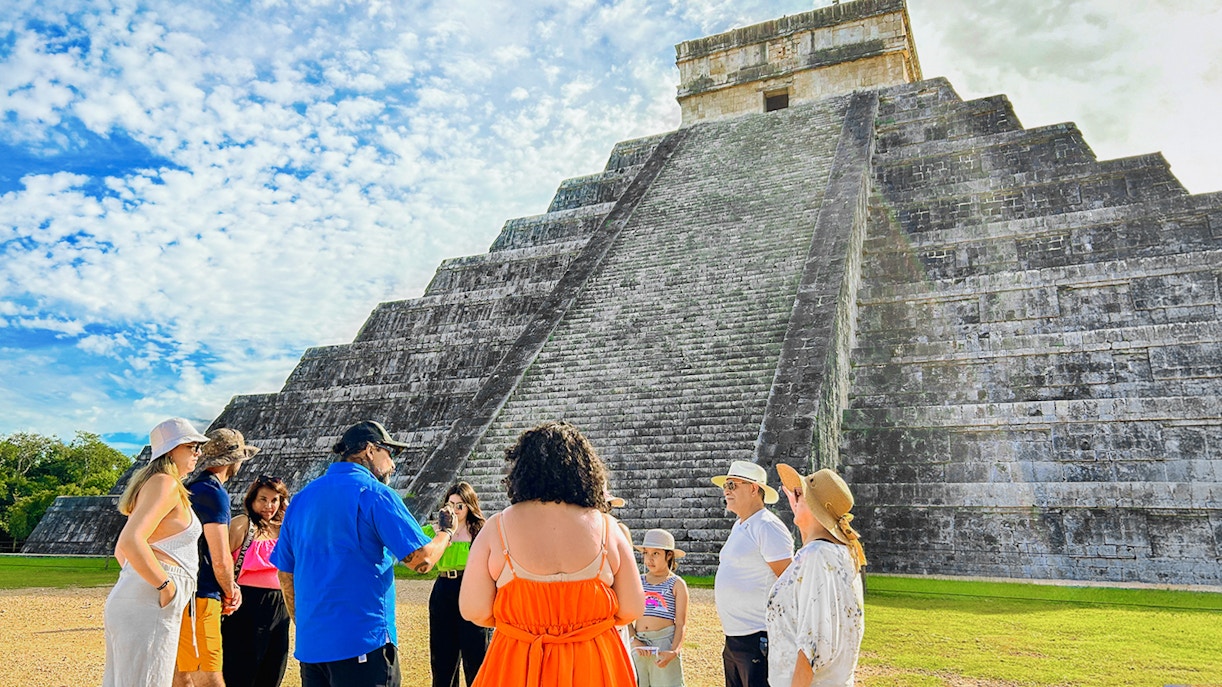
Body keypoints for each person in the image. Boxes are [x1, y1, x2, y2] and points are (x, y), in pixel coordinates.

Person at [459, 421, 645, 687]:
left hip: (518, 660)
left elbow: (473, 609)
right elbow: (632, 608)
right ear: (585, 472)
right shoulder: (607, 527)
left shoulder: (496, 528)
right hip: (594, 664)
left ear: (523, 471)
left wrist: (523, 623)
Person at [271, 420, 454, 687]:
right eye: (389, 453)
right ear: (369, 450)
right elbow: (421, 560)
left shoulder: (301, 499)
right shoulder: (375, 494)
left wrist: (306, 623)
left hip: (313, 645)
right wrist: (446, 534)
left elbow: (285, 572)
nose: (392, 463)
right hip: (362, 641)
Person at [103, 417, 208, 687]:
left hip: (141, 595)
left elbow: (121, 550)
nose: (198, 453)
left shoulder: (156, 484)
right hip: (151, 598)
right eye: (192, 447)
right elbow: (129, 541)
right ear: (171, 451)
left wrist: (139, 581)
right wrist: (165, 586)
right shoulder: (166, 484)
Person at [766, 465, 866, 687]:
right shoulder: (841, 553)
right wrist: (803, 516)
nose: (795, 497)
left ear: (813, 505)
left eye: (800, 493)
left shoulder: (817, 556)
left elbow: (812, 645)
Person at [175, 428, 258, 687]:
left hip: (185, 591)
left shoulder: (191, 487)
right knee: (208, 674)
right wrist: (231, 589)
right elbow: (220, 555)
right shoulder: (213, 493)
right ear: (234, 460)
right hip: (201, 595)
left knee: (182, 674)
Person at [712, 460, 794, 687]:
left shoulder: (767, 526)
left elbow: (790, 582)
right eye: (725, 485)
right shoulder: (741, 525)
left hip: (758, 636)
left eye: (732, 484)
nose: (726, 490)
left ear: (753, 488)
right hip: (736, 637)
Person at [222, 474, 293, 687]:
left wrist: (289, 513)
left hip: (280, 605)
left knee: (273, 669)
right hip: (246, 603)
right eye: (263, 499)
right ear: (252, 499)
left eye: (274, 500)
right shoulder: (242, 524)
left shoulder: (284, 529)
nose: (268, 506)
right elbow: (219, 561)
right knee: (240, 670)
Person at [422, 482, 492, 687]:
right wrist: (440, 531)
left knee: (476, 654)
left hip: (471, 588)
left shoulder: (480, 531)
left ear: (470, 506)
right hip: (444, 588)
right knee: (443, 657)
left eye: (459, 505)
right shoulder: (435, 531)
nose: (454, 510)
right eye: (450, 505)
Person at [628, 529, 690, 687]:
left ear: (669, 555)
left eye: (655, 553)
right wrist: (634, 640)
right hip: (639, 643)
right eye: (646, 553)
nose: (649, 559)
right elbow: (626, 616)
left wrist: (674, 651)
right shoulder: (637, 581)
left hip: (664, 643)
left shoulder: (677, 584)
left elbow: (681, 623)